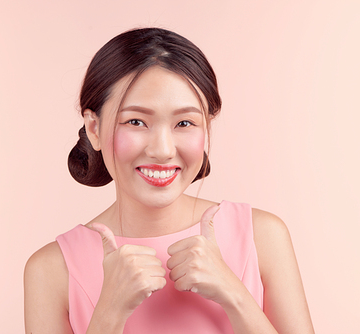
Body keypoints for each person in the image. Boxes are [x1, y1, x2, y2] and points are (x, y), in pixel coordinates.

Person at [24, 27, 315, 334]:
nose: (162, 150)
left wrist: (235, 295)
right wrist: (108, 314)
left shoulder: (262, 237)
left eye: (184, 123)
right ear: (94, 128)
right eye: (136, 121)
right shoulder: (51, 271)